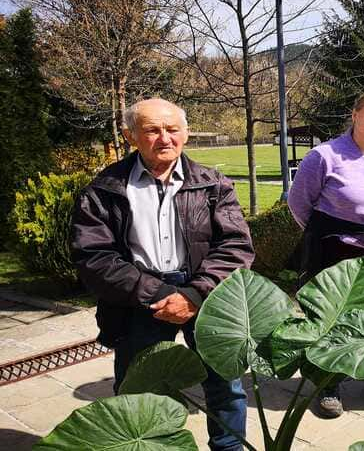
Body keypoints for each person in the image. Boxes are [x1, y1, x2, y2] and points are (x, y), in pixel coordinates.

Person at [71, 98, 254, 451]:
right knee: (136, 390)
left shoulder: (213, 184)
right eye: (152, 130)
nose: (165, 138)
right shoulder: (104, 190)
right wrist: (156, 294)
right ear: (131, 136)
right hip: (138, 299)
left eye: (172, 129)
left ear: (186, 133)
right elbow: (93, 257)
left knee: (226, 385)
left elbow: (236, 247)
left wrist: (195, 294)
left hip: (207, 294)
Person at [288, 90, 364, 418]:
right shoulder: (324, 155)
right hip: (336, 250)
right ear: (355, 114)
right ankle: (327, 382)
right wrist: (326, 236)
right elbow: (300, 203)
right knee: (332, 319)